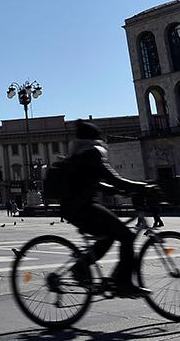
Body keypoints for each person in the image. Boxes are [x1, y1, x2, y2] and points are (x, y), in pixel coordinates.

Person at [60, 120, 159, 297]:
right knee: (127, 237)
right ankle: (123, 283)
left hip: (73, 207)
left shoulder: (79, 153)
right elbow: (114, 178)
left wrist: (112, 189)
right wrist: (141, 186)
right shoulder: (93, 152)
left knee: (108, 237)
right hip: (83, 207)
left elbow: (90, 180)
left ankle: (81, 268)